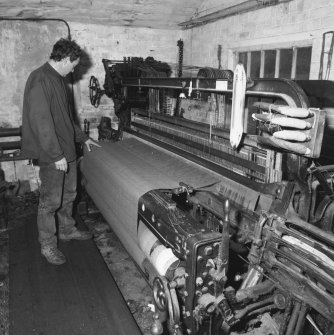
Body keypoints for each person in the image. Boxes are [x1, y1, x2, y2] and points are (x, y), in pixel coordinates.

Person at [21, 38, 101, 265]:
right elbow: (41, 122)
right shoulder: (40, 79)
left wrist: (83, 138)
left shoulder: (58, 80)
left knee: (70, 195)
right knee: (50, 202)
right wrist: (56, 156)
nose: (75, 68)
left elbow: (66, 118)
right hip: (52, 155)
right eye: (74, 64)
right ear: (65, 59)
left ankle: (67, 229)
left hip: (67, 151)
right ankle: (47, 245)